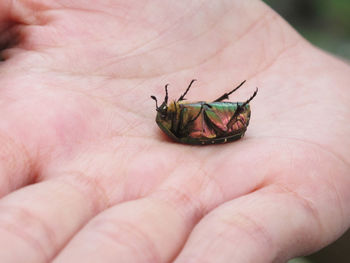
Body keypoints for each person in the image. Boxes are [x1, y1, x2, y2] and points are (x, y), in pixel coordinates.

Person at [0, 0, 349, 262]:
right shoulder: (177, 122)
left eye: (165, 107)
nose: (165, 108)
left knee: (209, 111)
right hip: (224, 122)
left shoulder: (176, 118)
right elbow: (192, 120)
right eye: (165, 108)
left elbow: (185, 114)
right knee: (209, 112)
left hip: (225, 121)